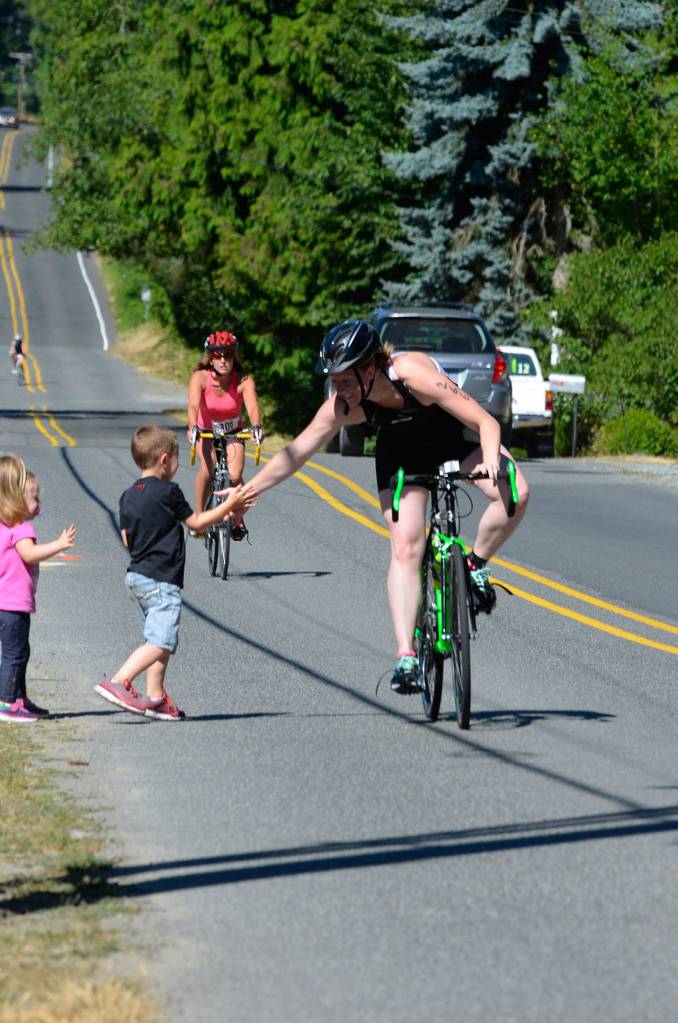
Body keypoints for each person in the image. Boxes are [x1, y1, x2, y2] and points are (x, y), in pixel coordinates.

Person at [247, 319, 529, 695]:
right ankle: (406, 656)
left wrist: (491, 460)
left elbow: (486, 422)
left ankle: (474, 566)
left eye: (345, 379)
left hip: (454, 438)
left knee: (516, 492)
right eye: (334, 380)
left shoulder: (412, 375)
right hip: (402, 453)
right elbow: (296, 453)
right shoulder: (345, 407)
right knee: (406, 545)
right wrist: (246, 493)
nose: (339, 389)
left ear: (370, 368)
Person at [94, 424, 256, 721]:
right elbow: (196, 523)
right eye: (178, 458)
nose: (179, 465)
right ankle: (118, 681)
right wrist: (230, 505)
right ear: (164, 460)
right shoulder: (169, 492)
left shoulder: (127, 496)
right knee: (161, 642)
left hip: (137, 578)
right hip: (161, 580)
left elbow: (127, 539)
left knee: (157, 640)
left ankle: (155, 697)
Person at [0, 455, 77, 722]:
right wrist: (58, 545)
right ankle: (7, 702)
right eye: (34, 498)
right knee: (15, 654)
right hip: (12, 605)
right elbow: (29, 554)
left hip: (5, 603)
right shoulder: (21, 528)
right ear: (15, 499)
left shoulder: (3, 526)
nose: (39, 502)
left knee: (20, 652)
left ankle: (19, 698)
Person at [186, 330, 263, 541]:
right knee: (208, 469)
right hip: (205, 431)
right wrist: (192, 427)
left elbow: (252, 407)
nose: (223, 360)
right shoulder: (200, 378)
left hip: (233, 432)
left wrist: (257, 427)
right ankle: (199, 517)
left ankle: (238, 518)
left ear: (234, 357)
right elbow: (193, 405)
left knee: (235, 475)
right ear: (210, 358)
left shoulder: (244, 380)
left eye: (227, 355)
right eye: (217, 355)